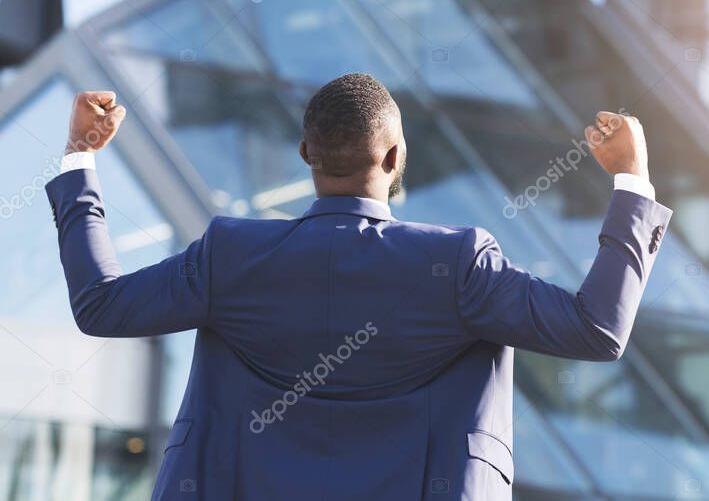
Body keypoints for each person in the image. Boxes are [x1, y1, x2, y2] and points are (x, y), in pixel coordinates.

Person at [46, 73, 672, 500]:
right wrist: (631, 180)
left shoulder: (231, 255)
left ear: (305, 153)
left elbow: (101, 303)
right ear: (396, 157)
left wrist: (81, 155)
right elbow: (596, 328)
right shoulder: (457, 265)